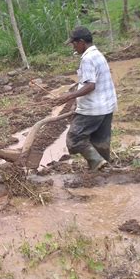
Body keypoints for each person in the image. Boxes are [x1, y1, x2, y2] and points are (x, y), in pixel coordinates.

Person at [55, 26, 117, 171]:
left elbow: (90, 85)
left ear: (82, 42)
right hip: (107, 106)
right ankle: (104, 171)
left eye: (74, 43)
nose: (74, 47)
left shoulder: (87, 59)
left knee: (74, 139)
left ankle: (97, 163)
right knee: (100, 140)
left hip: (93, 108)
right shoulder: (98, 54)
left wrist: (69, 96)